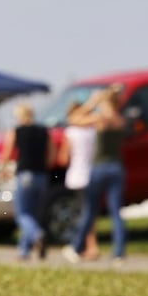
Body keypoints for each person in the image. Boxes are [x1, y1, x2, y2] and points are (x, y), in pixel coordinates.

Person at [65, 85, 128, 263]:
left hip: (99, 168)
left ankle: (77, 247)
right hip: (117, 167)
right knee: (116, 211)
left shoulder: (100, 119)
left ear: (105, 102)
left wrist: (93, 102)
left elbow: (74, 119)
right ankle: (119, 252)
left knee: (90, 211)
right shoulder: (120, 120)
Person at [0, 102, 50, 260]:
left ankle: (37, 234)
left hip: (25, 175)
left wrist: (3, 170)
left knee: (22, 214)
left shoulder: (17, 131)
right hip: (42, 176)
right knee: (33, 214)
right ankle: (24, 251)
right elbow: (52, 153)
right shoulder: (44, 131)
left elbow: (7, 153)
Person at [57, 98, 99, 258]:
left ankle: (83, 245)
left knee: (84, 212)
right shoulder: (93, 130)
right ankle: (92, 245)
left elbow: (63, 158)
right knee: (91, 212)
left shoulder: (71, 132)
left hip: (78, 175)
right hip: (93, 173)